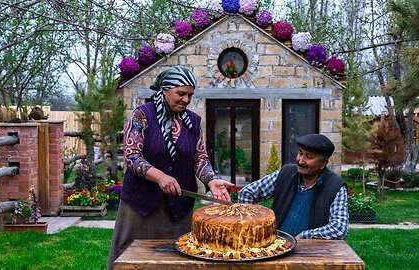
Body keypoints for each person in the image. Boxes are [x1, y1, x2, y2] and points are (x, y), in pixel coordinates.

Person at [108, 66, 234, 269]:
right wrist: (160, 177)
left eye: (190, 95)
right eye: (181, 94)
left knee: (177, 261)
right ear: (164, 90)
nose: (186, 99)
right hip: (141, 207)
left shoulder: (193, 122)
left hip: (179, 211)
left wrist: (211, 180)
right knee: (135, 261)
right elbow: (132, 156)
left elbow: (199, 157)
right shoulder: (142, 116)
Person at [238, 133, 348, 240]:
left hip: (312, 252)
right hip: (275, 245)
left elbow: (340, 228)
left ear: (323, 163)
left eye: (308, 156)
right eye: (300, 153)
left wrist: (305, 235)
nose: (300, 161)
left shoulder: (335, 186)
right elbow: (247, 193)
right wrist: (253, 225)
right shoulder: (286, 173)